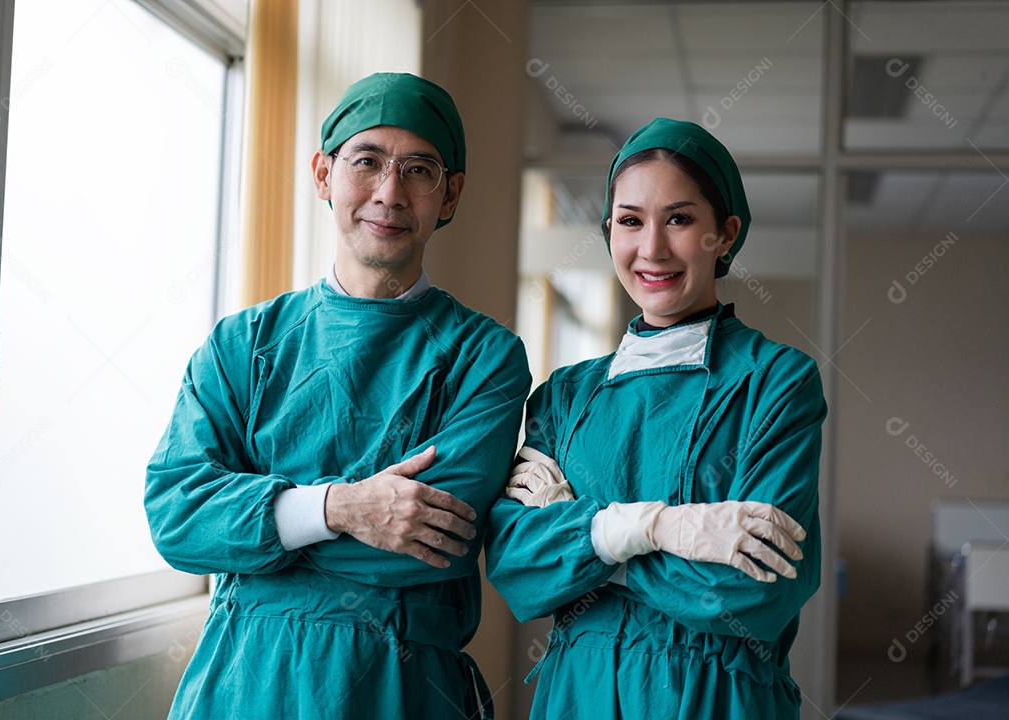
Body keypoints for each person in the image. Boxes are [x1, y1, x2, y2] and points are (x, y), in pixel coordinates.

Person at [145, 72, 531, 720]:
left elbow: (437, 537)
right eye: (367, 162)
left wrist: (262, 527)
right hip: (243, 688)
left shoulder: (482, 357)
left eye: (418, 169)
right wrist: (341, 507)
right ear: (324, 175)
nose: (389, 192)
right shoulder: (244, 345)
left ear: (451, 193)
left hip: (400, 690)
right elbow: (178, 517)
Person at [486, 118, 826, 719]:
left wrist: (582, 537)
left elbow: (753, 590)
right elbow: (516, 566)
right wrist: (655, 528)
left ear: (725, 233)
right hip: (576, 696)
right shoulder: (565, 395)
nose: (652, 250)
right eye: (630, 221)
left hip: (718, 699)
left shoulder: (775, 381)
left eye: (679, 218)